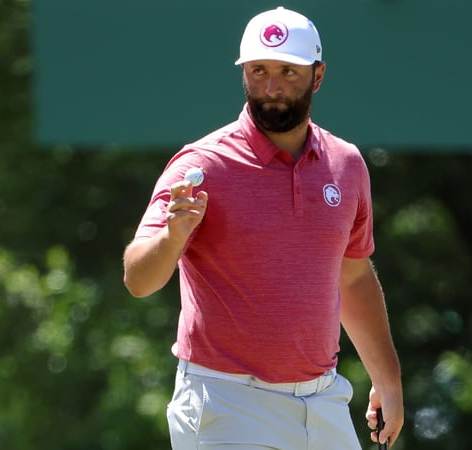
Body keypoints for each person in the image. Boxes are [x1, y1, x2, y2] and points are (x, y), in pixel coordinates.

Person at [123, 6, 404, 449]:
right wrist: (172, 237)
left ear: (318, 75)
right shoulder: (201, 166)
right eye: (258, 71)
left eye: (288, 72)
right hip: (226, 404)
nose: (272, 88)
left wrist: (388, 380)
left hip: (323, 400)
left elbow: (351, 274)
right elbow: (138, 279)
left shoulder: (346, 165)